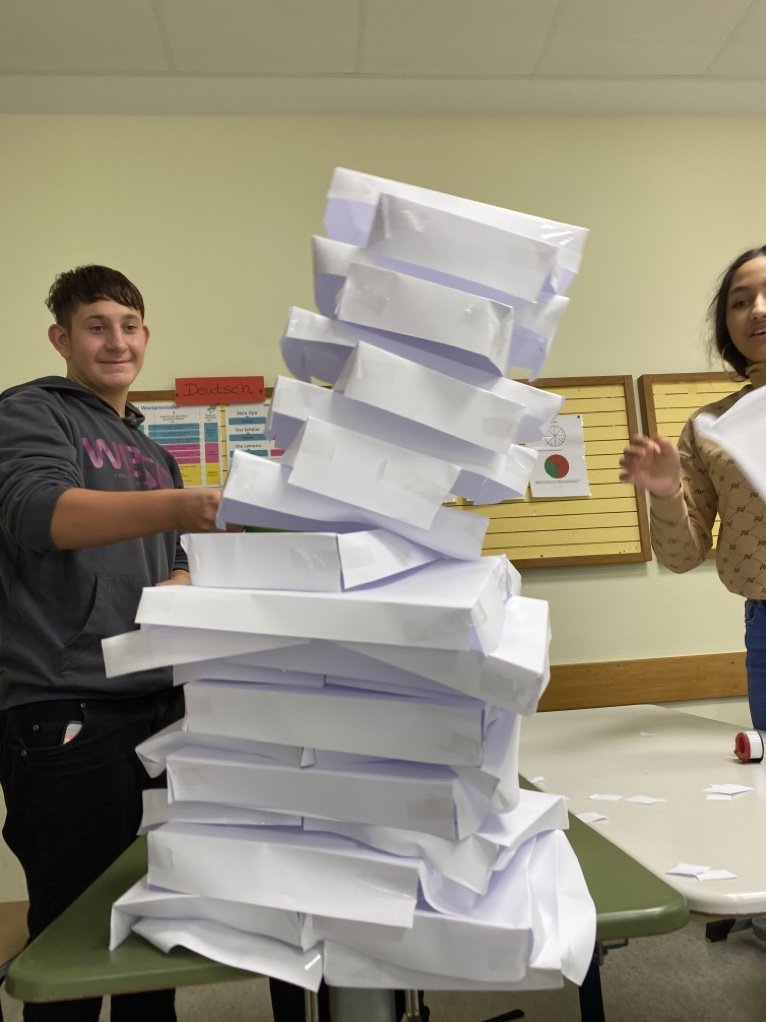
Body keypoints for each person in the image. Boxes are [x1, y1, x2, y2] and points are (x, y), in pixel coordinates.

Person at [0, 265, 222, 1021]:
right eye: (96, 325)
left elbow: (176, 552)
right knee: (75, 935)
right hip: (67, 710)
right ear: (62, 337)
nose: (116, 341)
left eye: (129, 326)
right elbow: (43, 517)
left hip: (159, 705)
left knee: (151, 922)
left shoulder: (151, 450)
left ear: (146, 336)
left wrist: (187, 572)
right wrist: (189, 505)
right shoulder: (31, 414)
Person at [620, 245, 766, 730]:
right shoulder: (711, 428)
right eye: (740, 301)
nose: (757, 310)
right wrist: (664, 490)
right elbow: (681, 557)